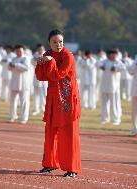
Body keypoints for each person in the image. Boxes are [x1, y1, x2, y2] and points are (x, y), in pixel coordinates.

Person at [35, 29, 81, 177]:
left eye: (60, 41)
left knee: (69, 133)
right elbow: (41, 76)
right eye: (54, 42)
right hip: (54, 98)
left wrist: (50, 61)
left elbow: (57, 75)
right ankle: (50, 164)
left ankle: (72, 168)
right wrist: (41, 63)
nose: (58, 44)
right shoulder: (48, 54)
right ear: (49, 43)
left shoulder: (68, 56)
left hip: (67, 99)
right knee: (50, 132)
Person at [99, 49, 124, 125]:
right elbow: (97, 63)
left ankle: (116, 119)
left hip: (114, 87)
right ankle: (105, 119)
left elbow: (123, 67)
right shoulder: (105, 61)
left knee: (114, 104)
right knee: (104, 104)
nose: (113, 56)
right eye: (111, 54)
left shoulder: (118, 62)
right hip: (104, 85)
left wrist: (115, 68)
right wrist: (101, 66)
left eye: (114, 55)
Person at [9, 44, 31, 124]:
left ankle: (24, 118)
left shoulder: (26, 58)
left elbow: (26, 68)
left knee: (24, 101)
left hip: (24, 83)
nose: (19, 52)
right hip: (14, 82)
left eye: (20, 51)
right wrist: (10, 65)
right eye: (17, 51)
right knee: (12, 101)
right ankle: (12, 116)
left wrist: (16, 65)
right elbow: (9, 68)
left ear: (23, 51)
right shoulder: (14, 58)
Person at [31, 44, 47, 115]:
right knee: (35, 94)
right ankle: (35, 109)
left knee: (43, 94)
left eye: (41, 49)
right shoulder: (35, 55)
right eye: (39, 49)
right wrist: (37, 60)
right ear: (37, 49)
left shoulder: (47, 55)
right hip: (36, 77)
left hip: (44, 78)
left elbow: (45, 64)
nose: (40, 50)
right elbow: (32, 62)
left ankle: (43, 109)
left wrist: (39, 60)